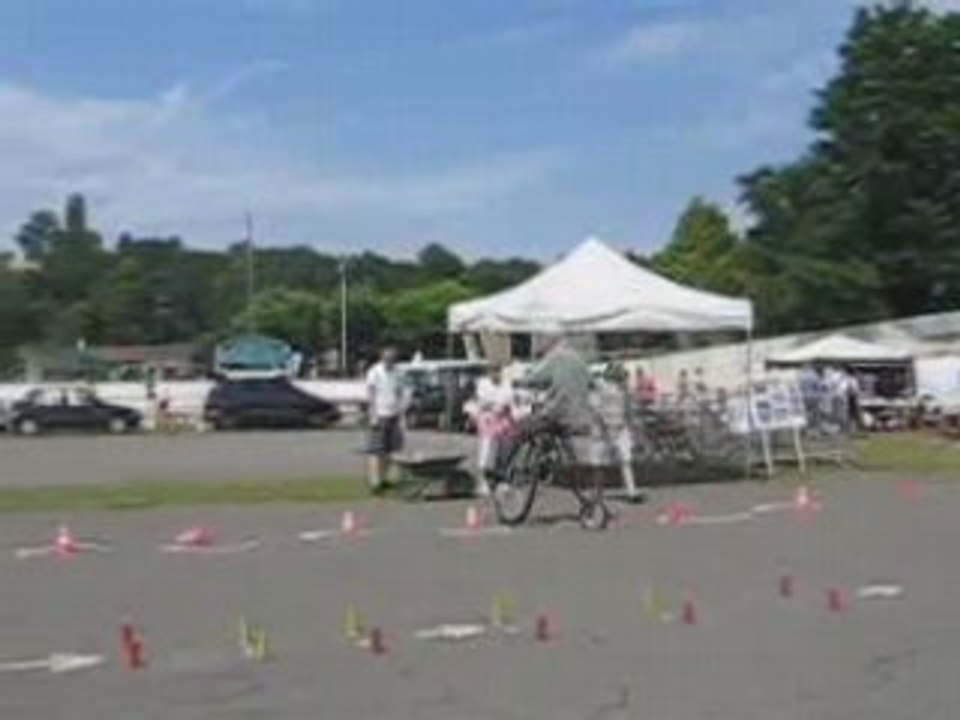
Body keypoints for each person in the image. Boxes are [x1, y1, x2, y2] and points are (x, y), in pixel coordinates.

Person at [591, 364, 643, 503]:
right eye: (621, 377)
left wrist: (631, 429)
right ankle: (597, 493)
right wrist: (604, 428)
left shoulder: (624, 391)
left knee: (625, 460)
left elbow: (628, 411)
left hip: (620, 428)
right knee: (600, 465)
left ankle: (631, 492)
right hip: (603, 430)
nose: (624, 380)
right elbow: (597, 410)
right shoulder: (602, 388)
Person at [365, 346, 407, 494]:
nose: (390, 362)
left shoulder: (398, 372)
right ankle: (375, 482)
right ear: (382, 358)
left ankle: (383, 479)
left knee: (392, 451)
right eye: (387, 359)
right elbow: (371, 394)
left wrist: (402, 415)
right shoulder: (374, 372)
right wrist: (373, 415)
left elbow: (400, 393)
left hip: (394, 415)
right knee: (376, 450)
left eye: (393, 359)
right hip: (379, 415)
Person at [472, 364, 515, 497]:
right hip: (488, 421)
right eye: (492, 370)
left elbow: (509, 400)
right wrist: (495, 404)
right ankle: (485, 482)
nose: (495, 374)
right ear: (488, 372)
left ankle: (502, 482)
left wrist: (501, 405)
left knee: (505, 453)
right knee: (487, 452)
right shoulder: (483, 384)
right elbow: (483, 402)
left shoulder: (507, 384)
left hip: (504, 422)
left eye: (498, 370)